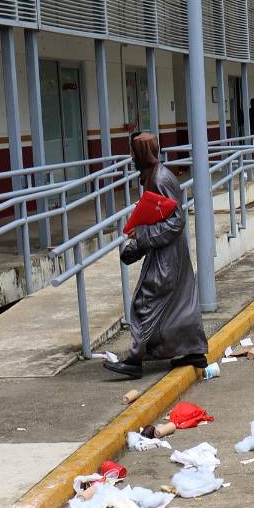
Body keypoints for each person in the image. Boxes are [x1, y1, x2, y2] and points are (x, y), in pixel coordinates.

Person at [105, 133, 209, 379]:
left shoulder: (160, 179)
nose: (131, 157)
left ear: (142, 153)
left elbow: (176, 220)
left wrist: (141, 237)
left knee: (145, 302)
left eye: (133, 151)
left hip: (167, 255)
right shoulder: (155, 176)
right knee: (179, 302)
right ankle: (192, 349)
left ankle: (134, 358)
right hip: (168, 251)